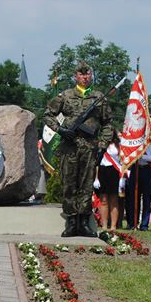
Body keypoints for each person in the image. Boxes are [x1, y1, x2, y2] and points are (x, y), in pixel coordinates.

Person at [42, 61, 113, 237]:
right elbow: (48, 115)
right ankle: (72, 222)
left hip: (89, 147)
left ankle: (84, 222)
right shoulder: (65, 96)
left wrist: (103, 145)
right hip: (70, 147)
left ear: (91, 75)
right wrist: (61, 130)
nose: (84, 77)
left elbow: (107, 123)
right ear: (75, 76)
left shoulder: (99, 98)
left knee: (86, 185)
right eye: (81, 74)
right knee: (69, 184)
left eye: (87, 73)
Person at [95, 130, 121, 231]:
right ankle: (104, 225)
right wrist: (96, 178)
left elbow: (122, 160)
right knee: (104, 200)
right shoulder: (100, 144)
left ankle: (113, 226)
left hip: (114, 171)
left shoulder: (118, 144)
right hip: (103, 171)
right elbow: (96, 162)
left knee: (114, 200)